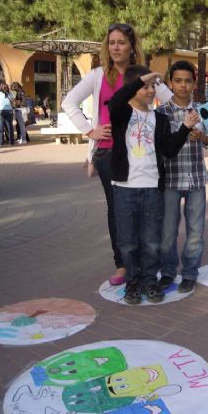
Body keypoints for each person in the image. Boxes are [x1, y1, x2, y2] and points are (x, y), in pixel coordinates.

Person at [62, 23, 172, 285]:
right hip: (110, 154)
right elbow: (69, 102)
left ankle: (145, 265)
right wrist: (90, 131)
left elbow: (169, 101)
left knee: (145, 210)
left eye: (121, 42)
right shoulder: (99, 75)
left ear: (132, 47)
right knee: (118, 211)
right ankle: (122, 265)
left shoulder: (143, 75)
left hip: (143, 155)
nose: (115, 47)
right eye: (111, 42)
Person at [108, 66, 199, 304]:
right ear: (134, 87)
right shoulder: (121, 113)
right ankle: (133, 283)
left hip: (152, 188)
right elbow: (117, 99)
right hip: (125, 187)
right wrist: (141, 78)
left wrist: (185, 127)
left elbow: (169, 150)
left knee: (151, 241)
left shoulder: (159, 118)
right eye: (145, 87)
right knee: (127, 242)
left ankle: (149, 281)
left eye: (152, 87)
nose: (150, 91)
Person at [156, 61, 208, 294]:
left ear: (193, 83)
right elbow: (161, 147)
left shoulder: (202, 109)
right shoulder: (161, 113)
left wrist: (201, 137)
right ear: (171, 82)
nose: (182, 85)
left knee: (195, 232)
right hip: (170, 180)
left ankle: (189, 273)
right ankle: (168, 271)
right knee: (167, 233)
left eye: (187, 81)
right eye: (178, 80)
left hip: (197, 179)